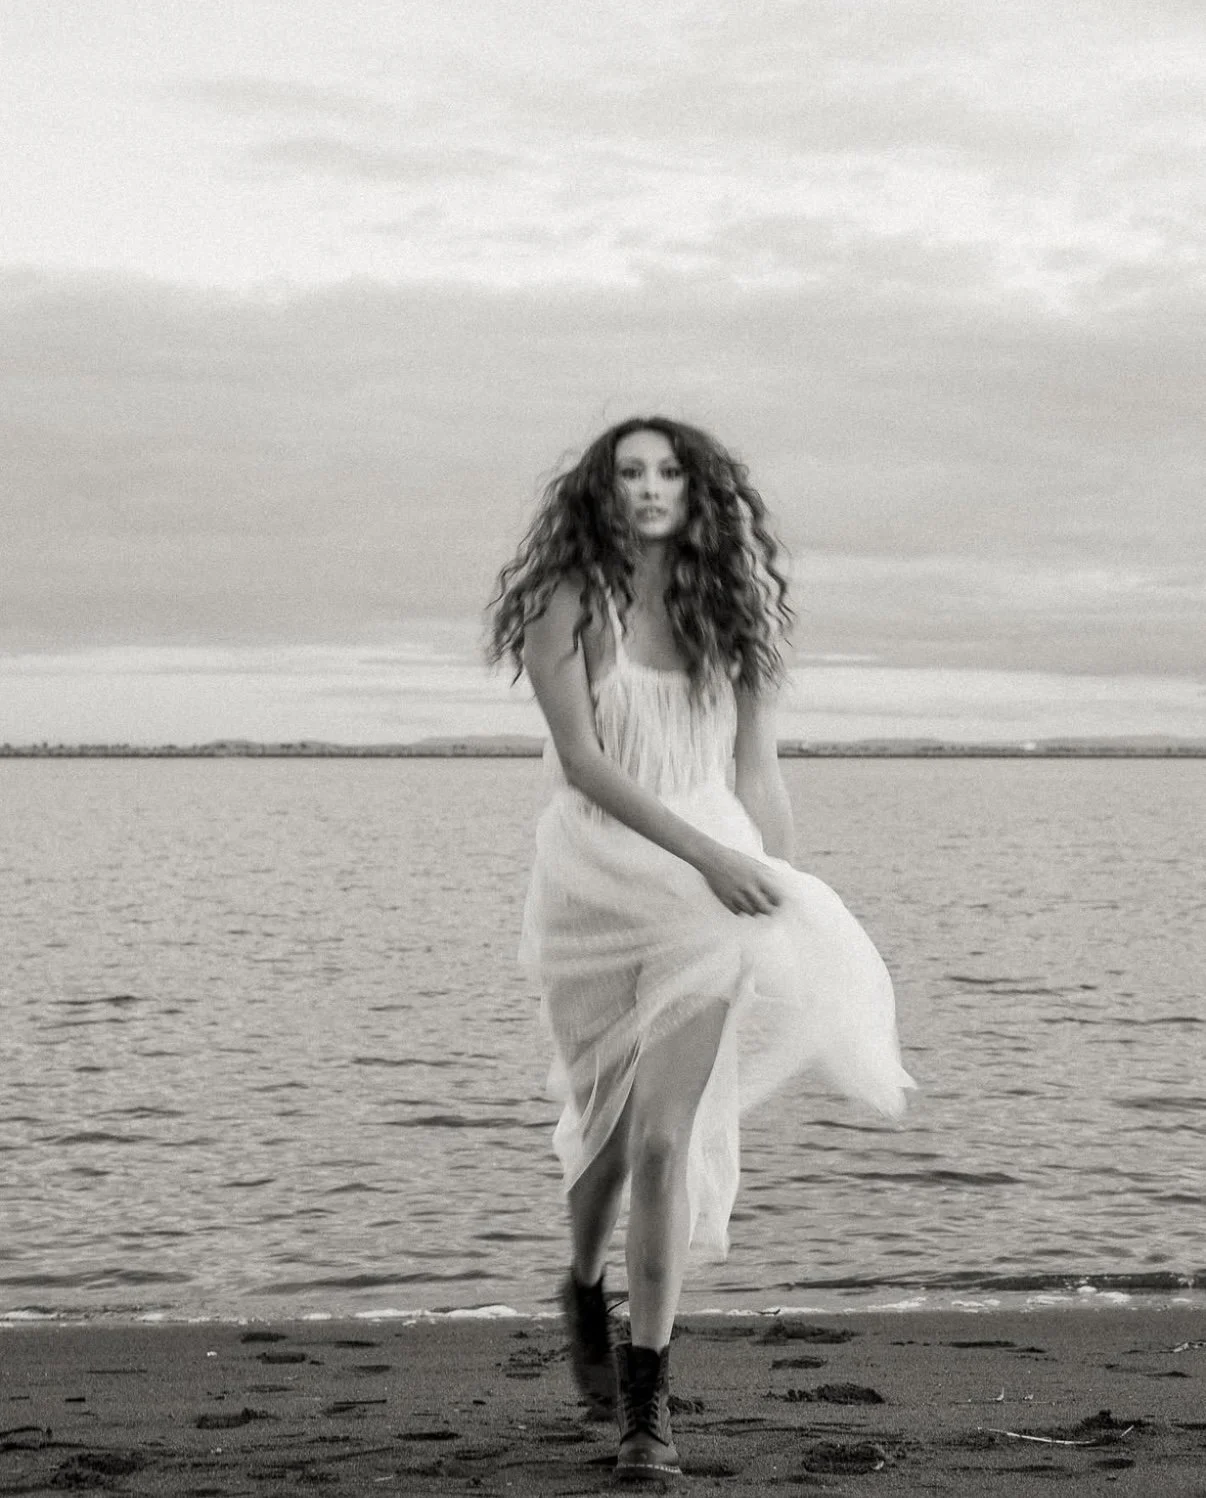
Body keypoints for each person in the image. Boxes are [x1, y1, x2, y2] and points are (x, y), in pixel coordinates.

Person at [488, 416, 914, 1482]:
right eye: (628, 471)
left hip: (708, 893)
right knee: (605, 1135)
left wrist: (778, 881)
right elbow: (583, 765)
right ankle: (583, 1280)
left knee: (666, 1142)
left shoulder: (738, 616)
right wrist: (706, 854)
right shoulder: (565, 602)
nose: (648, 487)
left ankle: (649, 1410)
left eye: (667, 471)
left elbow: (757, 770)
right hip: (592, 882)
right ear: (601, 489)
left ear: (697, 489)